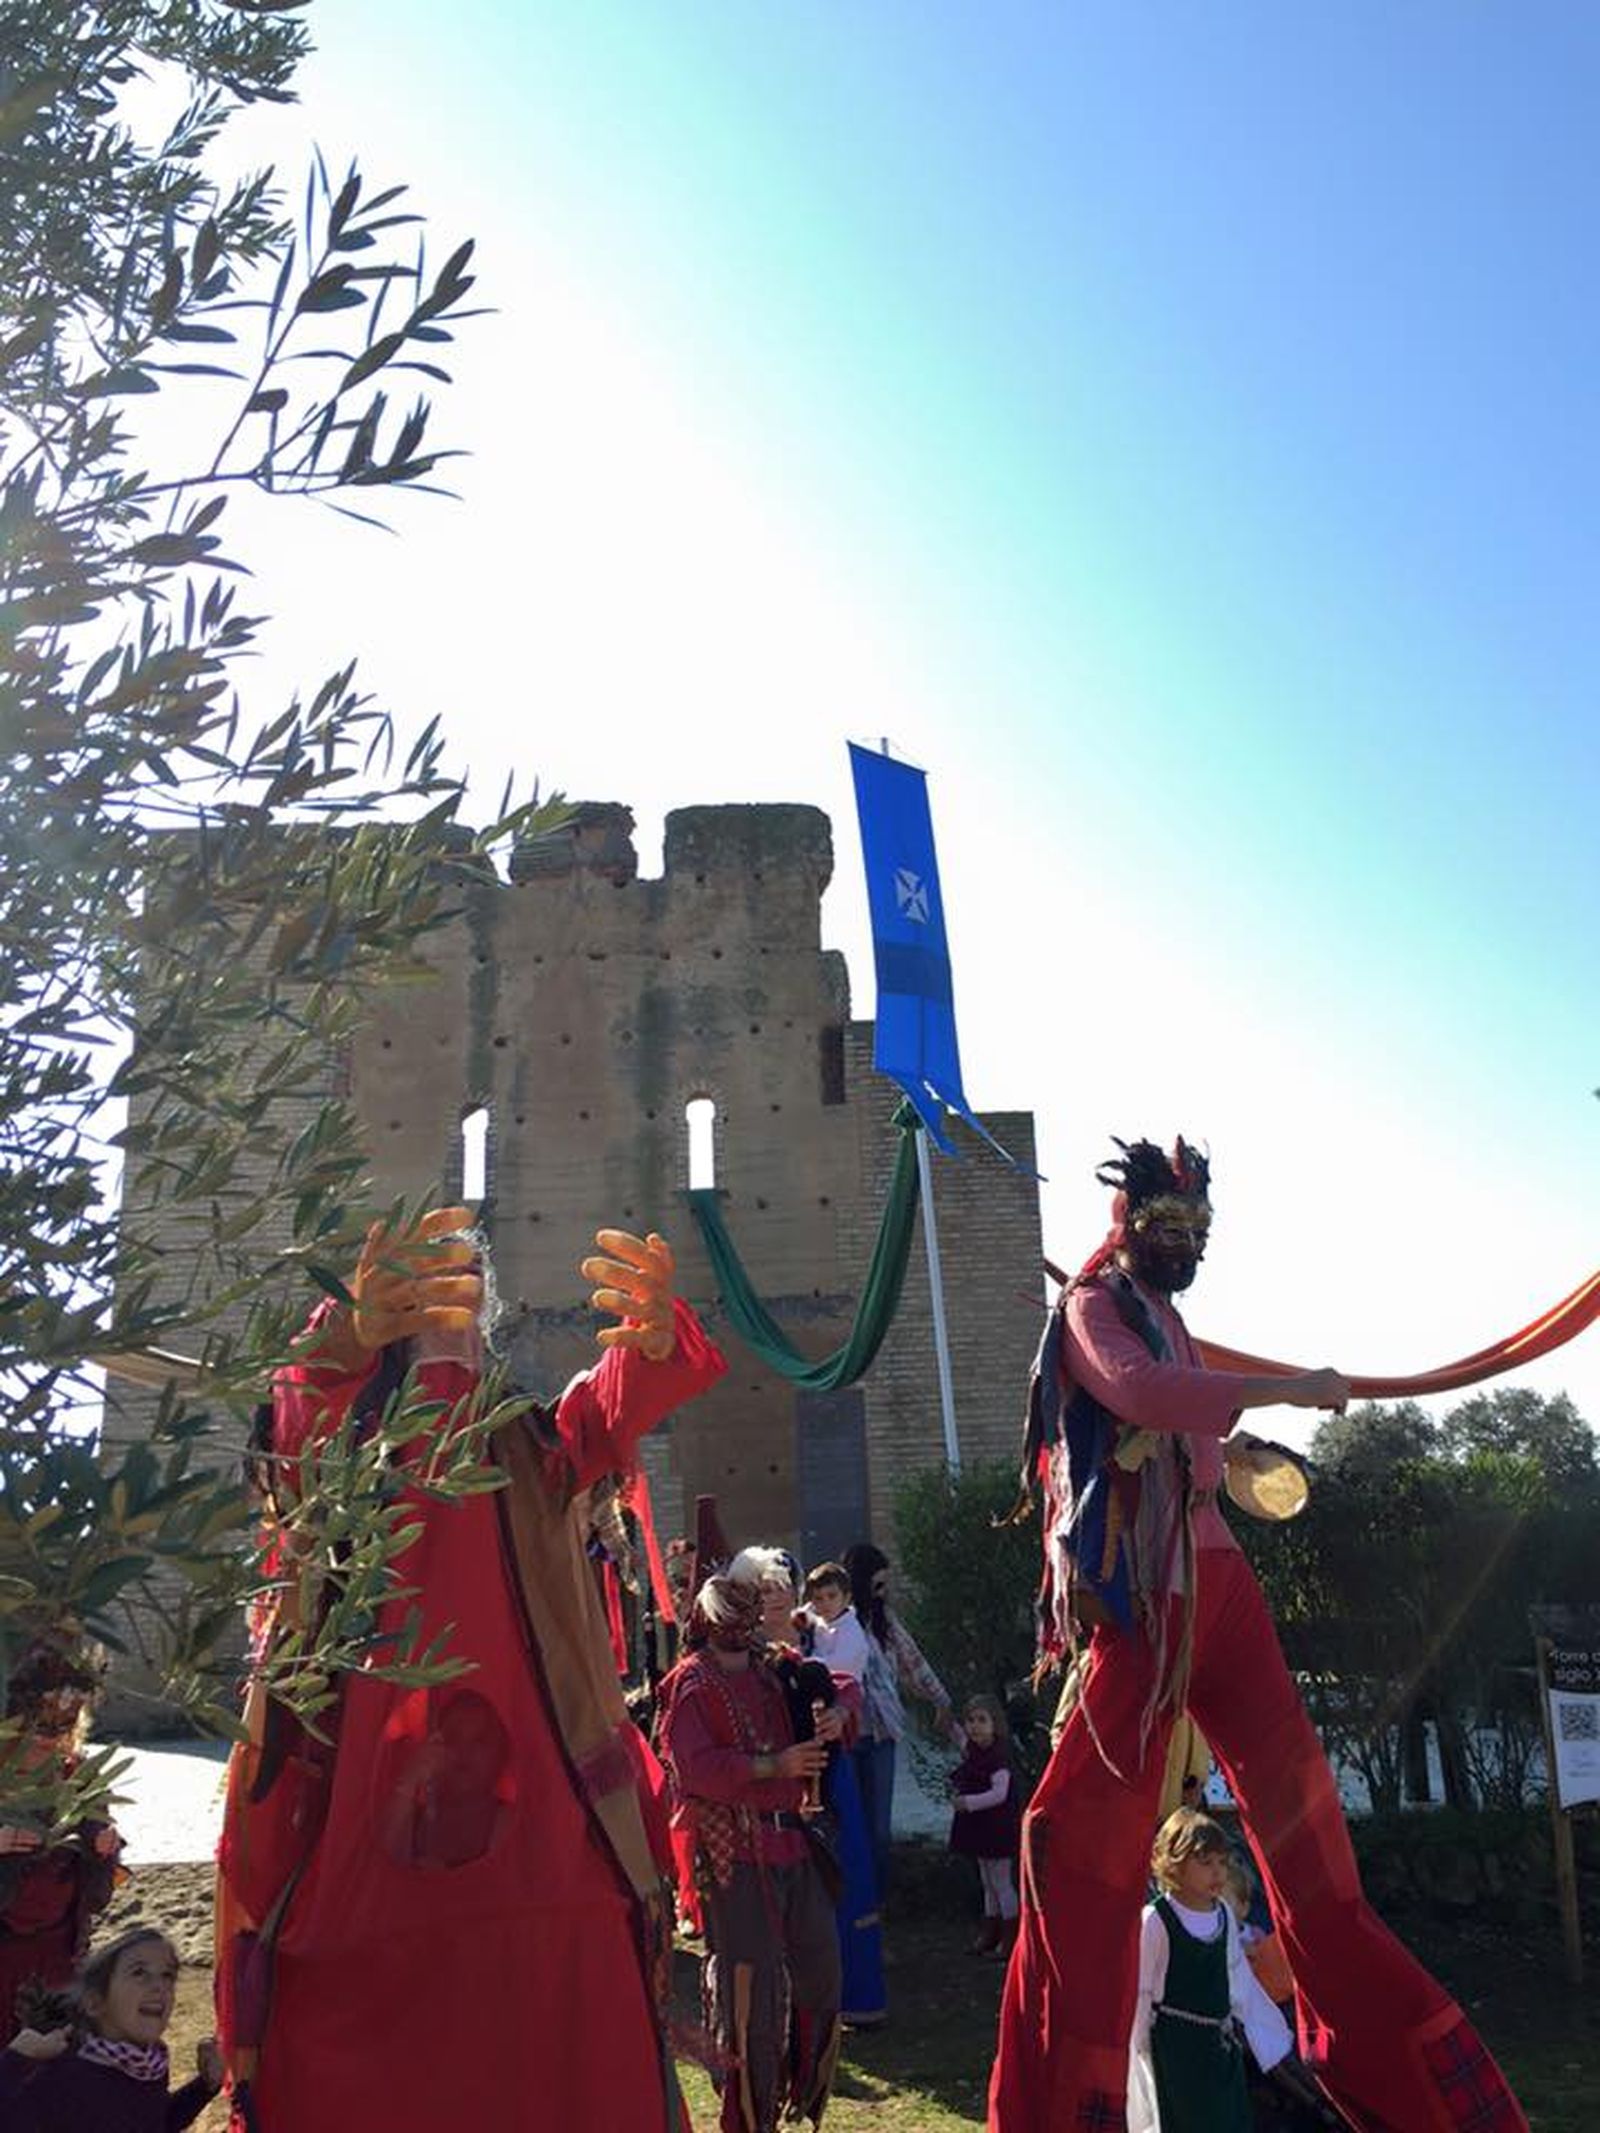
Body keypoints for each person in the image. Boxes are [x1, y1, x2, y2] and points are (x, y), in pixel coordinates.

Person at [989, 1136, 1528, 2133]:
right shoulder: (1095, 1307)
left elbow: (1175, 1418)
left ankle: (1407, 2091)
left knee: (1312, 1850)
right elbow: (1138, 1395)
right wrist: (1281, 1385)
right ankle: (1065, 2104)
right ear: (1127, 1224)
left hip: (1220, 1584)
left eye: (1200, 1228)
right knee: (1072, 1849)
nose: (1188, 1242)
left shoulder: (1169, 1319)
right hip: (1152, 1601)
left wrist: (1226, 1442)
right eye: (1170, 1226)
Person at [215, 1212, 727, 2133]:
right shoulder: (349, 1430)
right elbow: (295, 1422)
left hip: (551, 1838)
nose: (444, 1297)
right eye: (420, 1278)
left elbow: (607, 1411)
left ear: (487, 1305)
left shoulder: (529, 1442)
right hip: (364, 1842)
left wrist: (657, 1343)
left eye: (460, 1278)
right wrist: (340, 1340)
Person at [656, 1573, 846, 2131]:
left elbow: (836, 1688)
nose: (745, 1630)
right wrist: (773, 1766)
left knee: (821, 1974)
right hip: (735, 1854)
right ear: (712, 1624)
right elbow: (696, 1770)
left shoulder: (773, 1667)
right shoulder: (690, 1683)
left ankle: (799, 2092)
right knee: (751, 1998)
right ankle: (748, 2117)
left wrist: (838, 1716)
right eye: (734, 1621)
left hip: (797, 1844)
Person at [1128, 1808, 1294, 2133]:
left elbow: (1238, 1979)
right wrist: (1140, 2050)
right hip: (1178, 2050)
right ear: (1174, 1864)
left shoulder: (1223, 1916)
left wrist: (1267, 2035)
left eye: (1222, 1862)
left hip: (1219, 2048)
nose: (1217, 1873)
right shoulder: (1157, 1920)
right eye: (1205, 1864)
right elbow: (1142, 1990)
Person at [0, 1637, 122, 2041]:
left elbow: (99, 1887)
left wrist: (103, 1849)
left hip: (58, 1957)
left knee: (51, 2068)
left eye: (64, 1722)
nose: (50, 1735)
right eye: (40, 1720)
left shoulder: (79, 1775)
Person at [0, 1925, 223, 2130]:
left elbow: (156, 2123)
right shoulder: (65, 2072)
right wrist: (15, 2060)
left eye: (167, 1975)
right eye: (139, 1973)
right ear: (95, 2003)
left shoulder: (148, 2063)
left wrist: (204, 2085)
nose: (159, 1986)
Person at [842, 1542, 957, 1897]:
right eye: (877, 1586)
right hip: (844, 1736)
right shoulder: (834, 1622)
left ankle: (875, 1903)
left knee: (878, 1827)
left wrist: (942, 1701)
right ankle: (850, 1900)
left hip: (880, 1735)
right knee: (849, 1823)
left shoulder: (884, 1623)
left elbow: (913, 1663)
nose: (883, 1593)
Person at [949, 1693, 1021, 1957]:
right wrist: (941, 1708)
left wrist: (967, 1802)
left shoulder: (998, 1757)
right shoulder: (973, 1751)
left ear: (995, 1724)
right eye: (971, 1720)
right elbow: (953, 1732)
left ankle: (1010, 1936)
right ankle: (990, 1931)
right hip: (980, 1828)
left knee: (1001, 1882)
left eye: (982, 1720)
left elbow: (999, 1794)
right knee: (987, 1881)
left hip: (997, 1828)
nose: (975, 1726)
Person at [794, 1561, 870, 1683]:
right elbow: (802, 1613)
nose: (826, 1603)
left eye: (832, 1596)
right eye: (819, 1598)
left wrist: (802, 1663)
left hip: (846, 1691)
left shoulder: (851, 1630)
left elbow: (840, 1663)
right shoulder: (819, 1618)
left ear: (846, 1598)